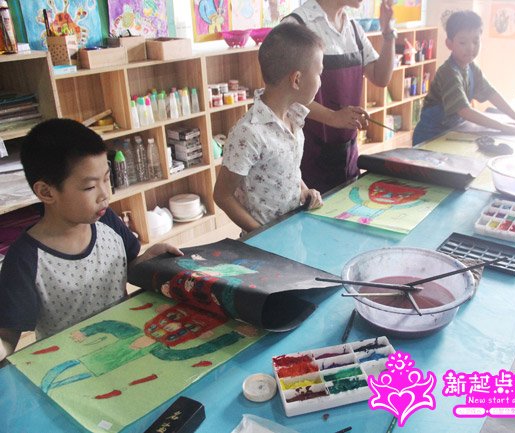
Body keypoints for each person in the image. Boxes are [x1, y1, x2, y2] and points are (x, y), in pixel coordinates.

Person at [0, 118, 182, 360]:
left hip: (126, 345)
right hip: (71, 361)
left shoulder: (106, 221)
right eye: (89, 187)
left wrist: (148, 258)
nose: (105, 194)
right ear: (46, 192)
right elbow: (8, 334)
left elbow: (126, 268)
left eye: (106, 178)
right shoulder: (25, 258)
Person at [213, 23, 324, 233]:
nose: (321, 81)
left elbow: (288, 168)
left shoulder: (294, 117)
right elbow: (222, 195)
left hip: (292, 230)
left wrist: (303, 190)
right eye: (319, 73)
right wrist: (261, 234)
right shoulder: (249, 132)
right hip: (263, 243)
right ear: (297, 79)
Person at [284, 0, 396, 193]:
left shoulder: (354, 28)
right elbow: (286, 92)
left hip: (347, 153)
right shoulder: (297, 25)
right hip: (308, 156)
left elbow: (381, 77)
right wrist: (333, 117)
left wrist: (388, 33)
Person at [412, 10, 515, 146]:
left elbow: (491, 93)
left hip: (451, 133)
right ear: (449, 44)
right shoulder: (448, 73)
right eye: (463, 42)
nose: (470, 48)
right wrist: (505, 128)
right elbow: (465, 111)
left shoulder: (471, 68)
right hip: (430, 137)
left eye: (475, 41)